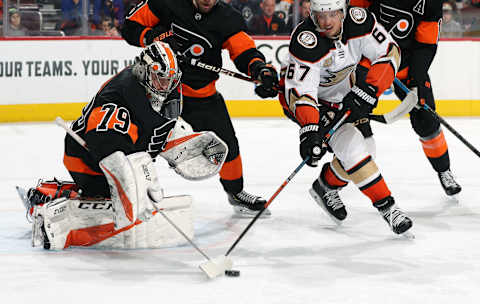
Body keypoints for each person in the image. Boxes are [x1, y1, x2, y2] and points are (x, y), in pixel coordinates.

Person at [21, 42, 228, 250]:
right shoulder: (120, 96)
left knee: (124, 193)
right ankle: (46, 195)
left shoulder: (165, 88)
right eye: (160, 79)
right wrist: (134, 186)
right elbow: (108, 149)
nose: (165, 86)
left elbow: (161, 125)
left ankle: (58, 193)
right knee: (105, 196)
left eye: (169, 80)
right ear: (143, 71)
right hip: (86, 156)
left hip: (126, 147)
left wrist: (183, 144)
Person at [121, 0, 279, 217]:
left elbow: (244, 51)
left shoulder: (227, 17)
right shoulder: (165, 3)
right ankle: (125, 189)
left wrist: (260, 69)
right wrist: (153, 36)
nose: (208, 0)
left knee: (226, 144)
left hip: (200, 94)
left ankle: (236, 192)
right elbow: (129, 27)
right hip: (157, 90)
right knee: (137, 141)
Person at [279, 0, 412, 234]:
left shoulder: (360, 20)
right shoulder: (305, 40)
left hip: (344, 94)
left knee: (367, 147)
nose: (326, 21)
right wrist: (310, 130)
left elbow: (389, 52)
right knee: (354, 151)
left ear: (344, 12)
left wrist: (371, 89)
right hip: (311, 104)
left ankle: (325, 186)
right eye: (320, 15)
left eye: (332, 14)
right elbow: (302, 94)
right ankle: (388, 209)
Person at [350, 0, 462, 197]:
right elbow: (353, 13)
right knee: (353, 114)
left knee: (426, 119)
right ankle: (329, 185)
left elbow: (426, 45)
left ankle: (444, 170)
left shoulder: (431, 2)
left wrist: (417, 80)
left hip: (406, 65)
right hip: (370, 60)